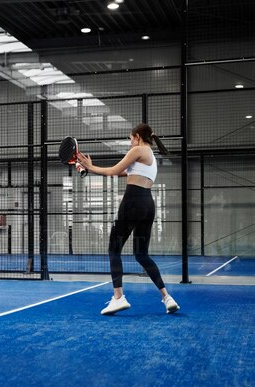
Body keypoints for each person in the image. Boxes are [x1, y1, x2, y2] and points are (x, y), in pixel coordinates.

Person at [77, 123, 180, 315]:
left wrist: (90, 166)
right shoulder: (150, 158)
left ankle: (118, 298)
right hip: (148, 204)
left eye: (130, 138)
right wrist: (88, 168)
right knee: (141, 254)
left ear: (138, 137)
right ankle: (167, 297)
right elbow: (118, 171)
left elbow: (113, 171)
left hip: (133, 201)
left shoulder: (139, 149)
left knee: (113, 248)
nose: (130, 142)